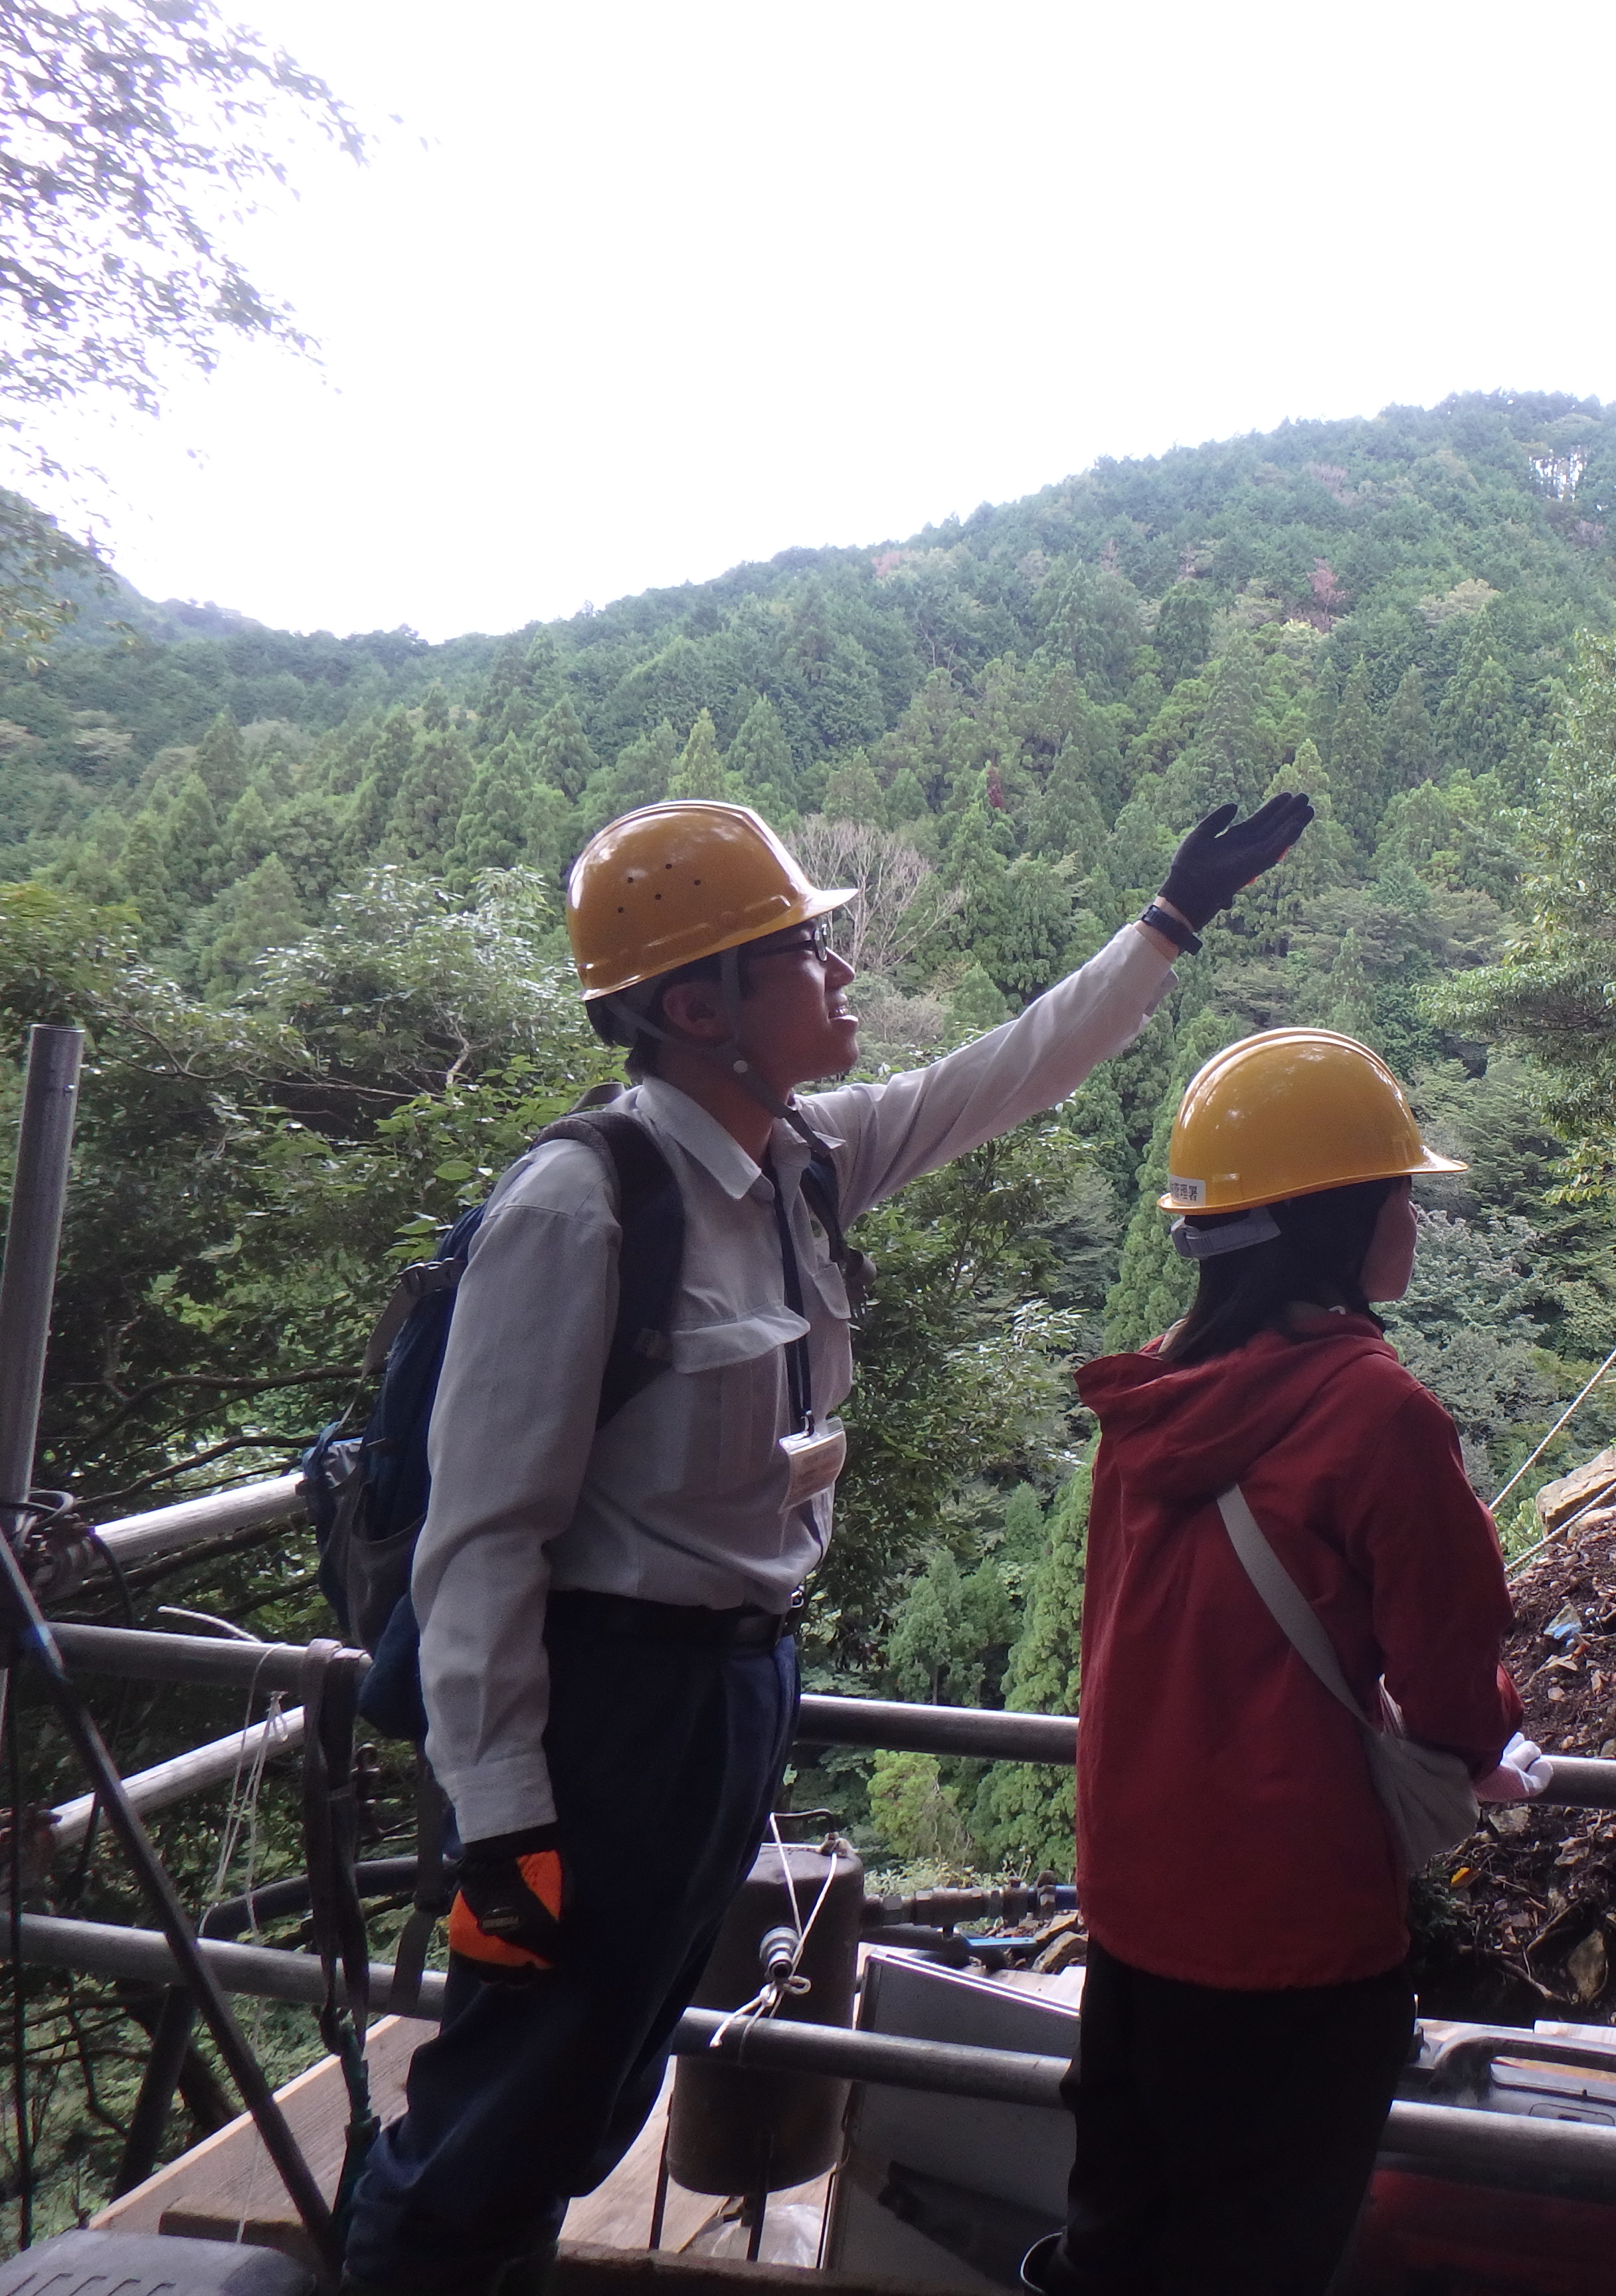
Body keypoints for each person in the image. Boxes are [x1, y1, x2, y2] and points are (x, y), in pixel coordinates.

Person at [342, 793, 1310, 2295]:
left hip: (730, 1695)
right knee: (506, 2105)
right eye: (806, 948)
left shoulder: (799, 1159)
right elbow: (479, 1545)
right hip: (599, 1715)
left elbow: (1012, 1070)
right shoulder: (583, 1202)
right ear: (694, 1003)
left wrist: (1168, 922)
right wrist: (505, 1816)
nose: (841, 973)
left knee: (599, 2085)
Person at [1023, 1028, 1532, 2296]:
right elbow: (1450, 1664)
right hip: (1291, 1927)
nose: (1412, 1217)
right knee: (1261, 2254)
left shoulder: (1152, 1398)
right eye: (1397, 1191)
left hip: (1136, 1904)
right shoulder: (1376, 1414)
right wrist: (1486, 1752)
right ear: (1334, 1222)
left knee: (1124, 2245)